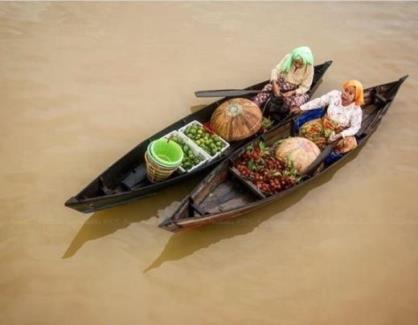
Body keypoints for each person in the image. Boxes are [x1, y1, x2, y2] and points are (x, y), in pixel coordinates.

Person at [291, 80, 364, 154]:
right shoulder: (335, 95)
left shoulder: (356, 110)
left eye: (350, 93)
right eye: (346, 90)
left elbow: (355, 128)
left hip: (338, 132)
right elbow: (319, 102)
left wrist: (340, 135)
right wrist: (301, 108)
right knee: (304, 130)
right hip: (324, 123)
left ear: (355, 98)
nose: (346, 94)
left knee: (341, 146)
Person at [252, 46, 314, 116]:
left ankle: (283, 115)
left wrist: (292, 92)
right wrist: (274, 84)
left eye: (301, 64)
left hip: (295, 89)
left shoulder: (309, 67)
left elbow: (305, 87)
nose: (297, 65)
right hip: (281, 83)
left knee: (297, 103)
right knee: (267, 89)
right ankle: (254, 108)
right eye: (296, 62)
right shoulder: (288, 58)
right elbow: (275, 70)